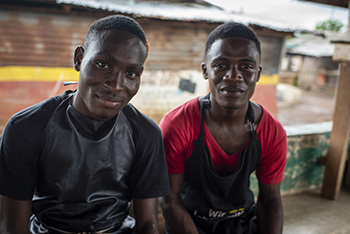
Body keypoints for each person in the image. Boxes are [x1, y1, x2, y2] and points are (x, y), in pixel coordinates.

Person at [0, 15, 170, 234]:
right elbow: (13, 227)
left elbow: (148, 224)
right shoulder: (26, 128)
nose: (116, 85)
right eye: (103, 64)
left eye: (131, 73)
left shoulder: (145, 133)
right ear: (79, 58)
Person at [159, 22, 287, 234]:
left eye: (246, 66)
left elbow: (270, 199)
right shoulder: (178, 124)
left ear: (258, 72)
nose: (233, 76)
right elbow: (169, 200)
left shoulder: (272, 132)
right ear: (205, 70)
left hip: (242, 223)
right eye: (221, 65)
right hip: (188, 223)